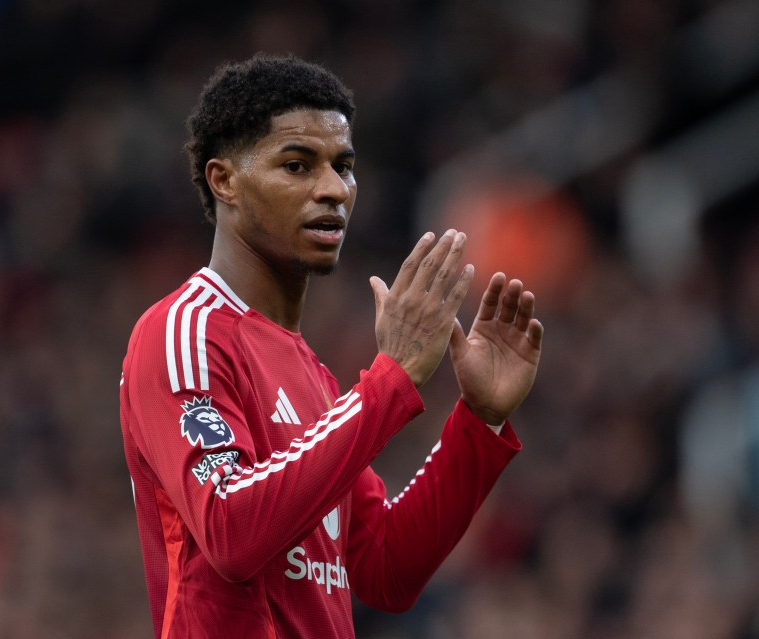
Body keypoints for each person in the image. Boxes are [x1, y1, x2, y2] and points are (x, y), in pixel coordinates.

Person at [119, 53, 544, 638]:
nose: (332, 190)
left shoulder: (315, 379)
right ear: (225, 181)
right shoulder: (185, 331)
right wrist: (389, 380)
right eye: (297, 166)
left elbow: (385, 569)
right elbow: (230, 533)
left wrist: (479, 422)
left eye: (343, 166)